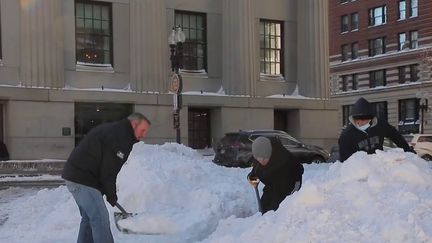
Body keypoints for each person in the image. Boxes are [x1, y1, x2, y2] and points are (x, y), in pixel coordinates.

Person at [62, 113, 151, 243]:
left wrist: (108, 193)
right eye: (142, 130)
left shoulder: (118, 131)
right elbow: (109, 171)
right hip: (82, 179)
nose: (144, 135)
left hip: (76, 176)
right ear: (133, 124)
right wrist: (111, 195)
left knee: (89, 218)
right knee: (100, 218)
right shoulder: (120, 138)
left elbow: (104, 165)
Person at [338, 97, 414, 162]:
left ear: (370, 119)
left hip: (378, 164)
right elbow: (344, 159)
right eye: (357, 121)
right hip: (360, 169)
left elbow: (396, 136)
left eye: (363, 121)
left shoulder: (380, 126)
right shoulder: (347, 135)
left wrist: (408, 150)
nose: (360, 123)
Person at [247, 136, 304, 214]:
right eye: (259, 158)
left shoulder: (284, 157)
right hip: (272, 185)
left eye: (265, 158)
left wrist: (295, 188)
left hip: (287, 186)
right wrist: (252, 178)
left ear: (270, 153)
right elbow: (255, 172)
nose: (262, 161)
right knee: (264, 205)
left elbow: (299, 168)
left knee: (276, 210)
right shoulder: (258, 161)